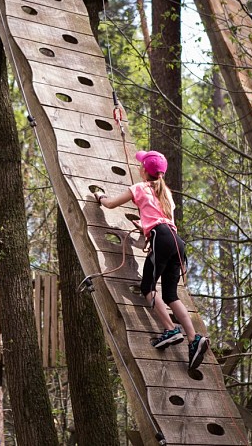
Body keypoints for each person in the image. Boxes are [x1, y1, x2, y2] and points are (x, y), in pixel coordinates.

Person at [95, 150, 210, 370]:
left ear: (143, 170)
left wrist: (100, 196)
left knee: (148, 287)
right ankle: (194, 339)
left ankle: (170, 329)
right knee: (171, 295)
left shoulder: (140, 188)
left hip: (161, 237)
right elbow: (163, 220)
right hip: (176, 241)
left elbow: (110, 204)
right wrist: (146, 228)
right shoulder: (166, 193)